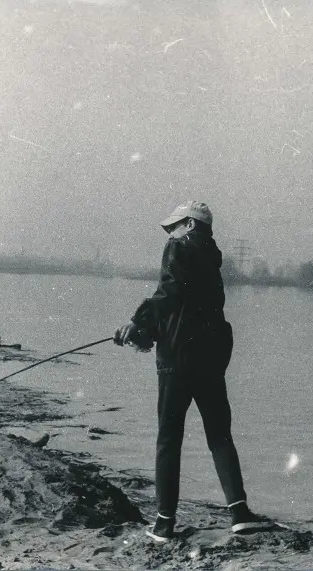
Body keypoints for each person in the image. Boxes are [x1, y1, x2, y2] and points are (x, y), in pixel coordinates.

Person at [114, 200, 273, 542]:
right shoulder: (214, 257)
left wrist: (136, 323)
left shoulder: (177, 247)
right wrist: (148, 334)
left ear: (189, 224)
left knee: (169, 439)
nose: (169, 232)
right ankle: (240, 513)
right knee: (220, 435)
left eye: (173, 225)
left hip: (177, 360)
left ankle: (163, 523)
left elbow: (169, 292)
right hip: (212, 358)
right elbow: (188, 306)